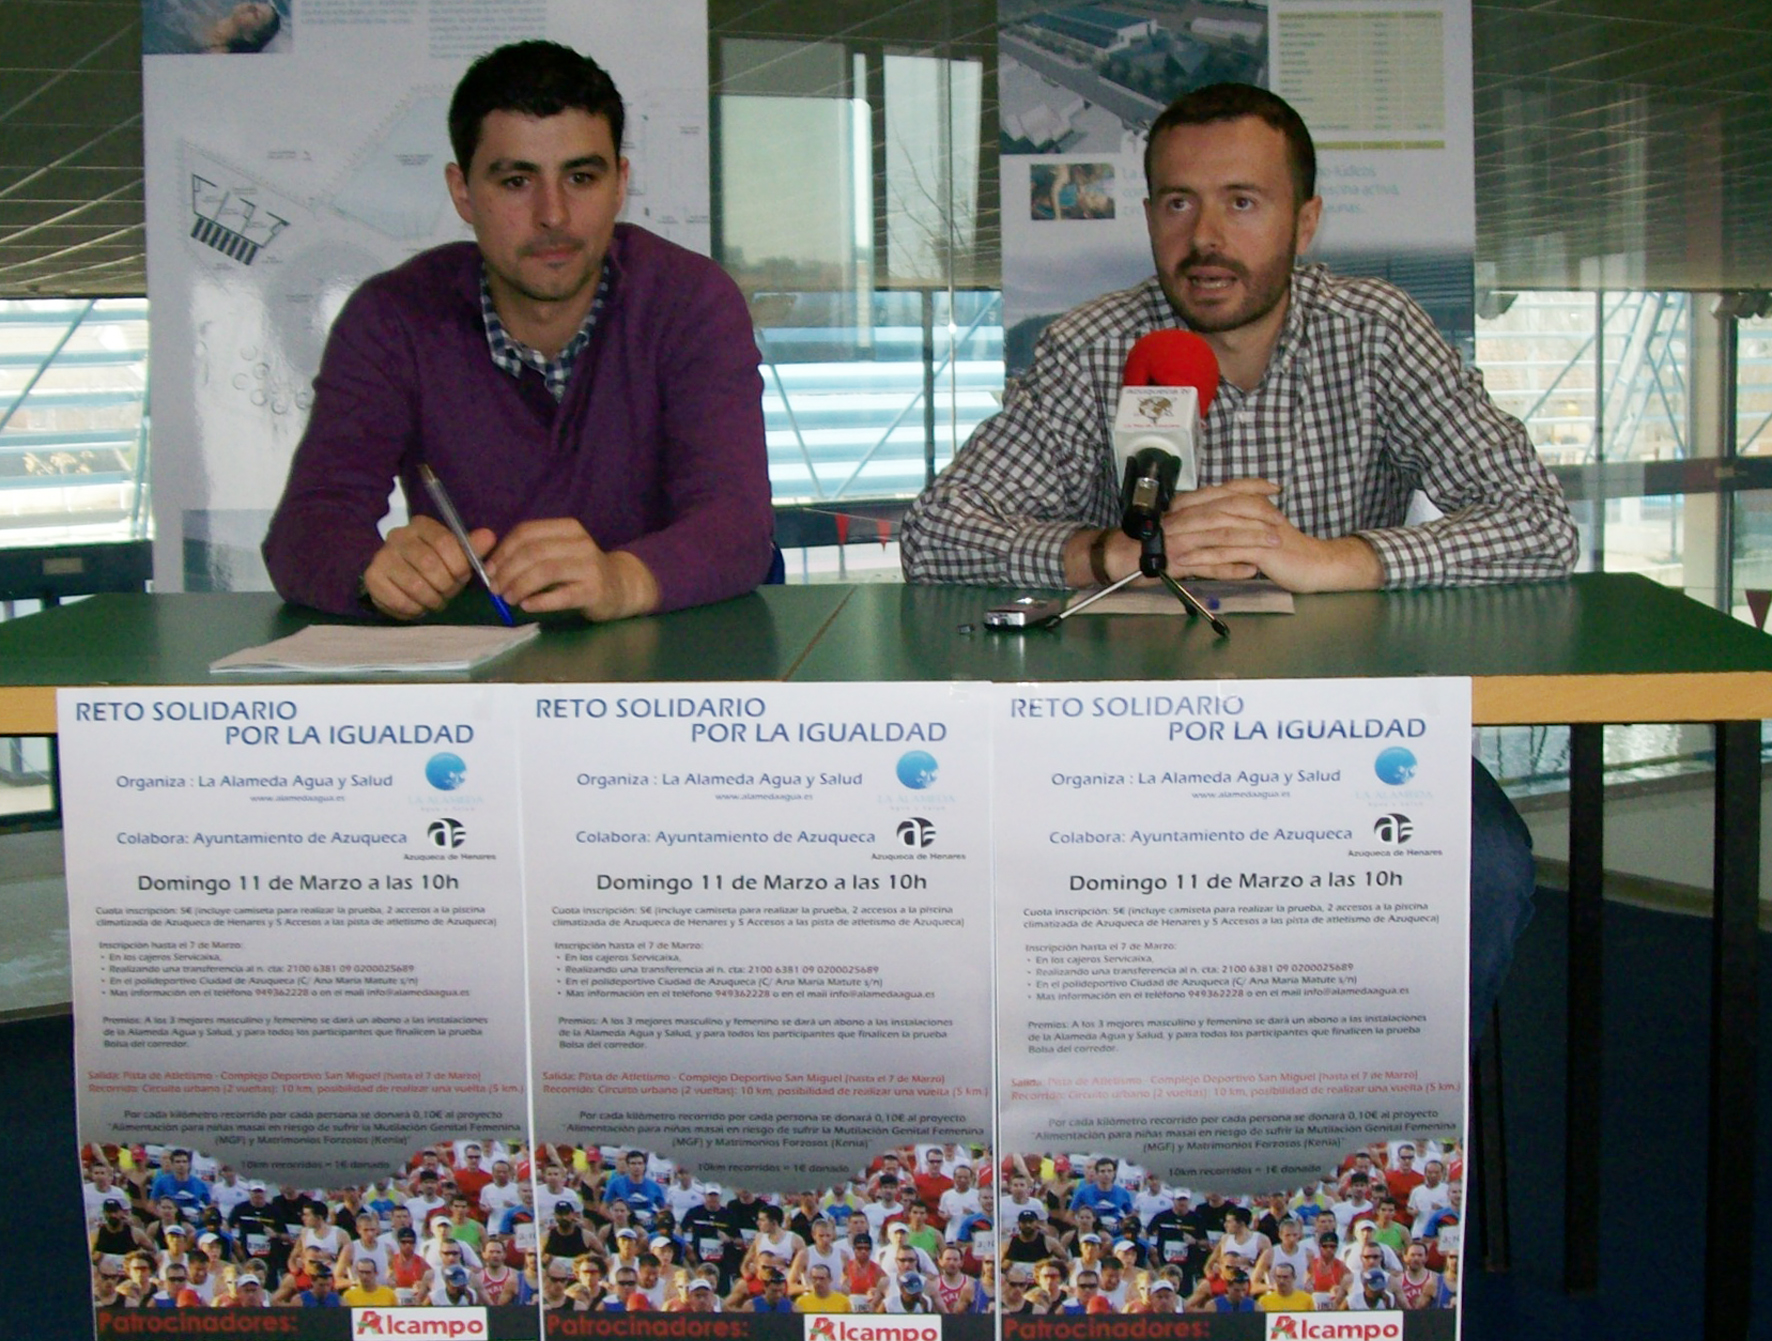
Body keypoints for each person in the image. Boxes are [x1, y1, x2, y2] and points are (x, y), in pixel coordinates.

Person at [900, 83, 1577, 1023]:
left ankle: (1384, 1101)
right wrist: (1106, 555)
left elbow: (1539, 521)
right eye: (1179, 203)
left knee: (1484, 868)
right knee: (1009, 868)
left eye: (1243, 202)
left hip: (1347, 730)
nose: (1206, 236)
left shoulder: (1377, 331)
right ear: (1149, 215)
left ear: (1307, 221)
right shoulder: (1092, 346)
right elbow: (936, 531)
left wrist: (1338, 561)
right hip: (1128, 741)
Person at [262, 39, 773, 623]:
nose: (553, 214)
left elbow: (738, 527)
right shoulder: (393, 318)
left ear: (620, 184)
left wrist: (621, 580)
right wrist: (370, 572)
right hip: (472, 660)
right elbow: (306, 526)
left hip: (664, 658)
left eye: (581, 177)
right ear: (462, 192)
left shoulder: (690, 302)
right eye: (515, 182)